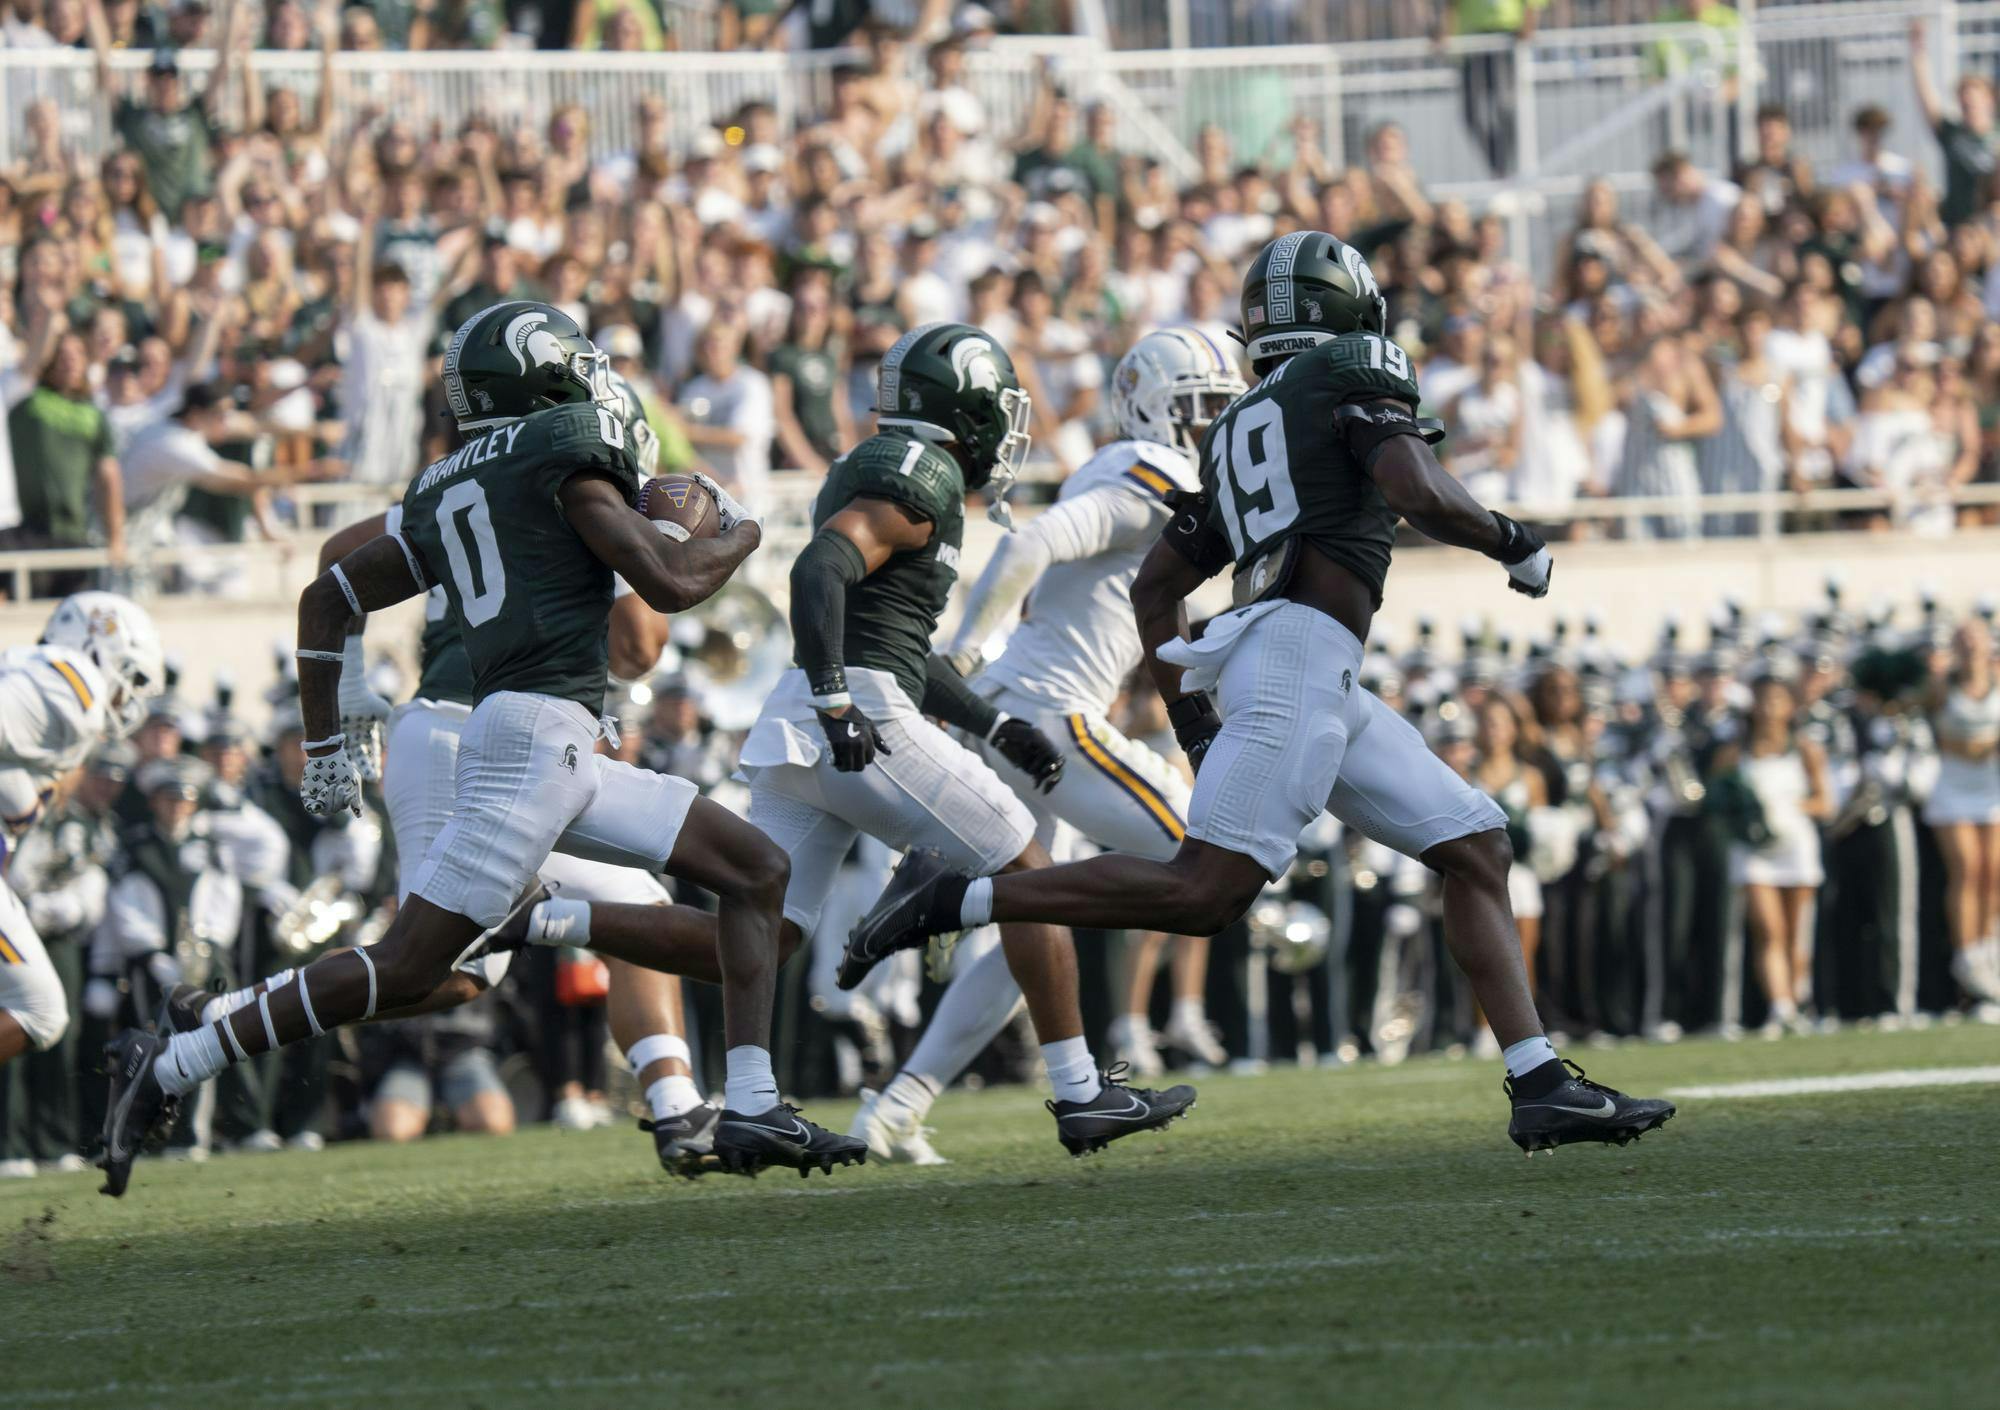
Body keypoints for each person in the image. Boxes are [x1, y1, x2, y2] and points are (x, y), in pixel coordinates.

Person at [845, 233, 1675, 1155]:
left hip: (1298, 663)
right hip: (1299, 660)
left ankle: (1540, 1081)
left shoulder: (1243, 421)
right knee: (1204, 893)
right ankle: (958, 897)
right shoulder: (1348, 372)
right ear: (1351, 311)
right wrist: (1512, 540)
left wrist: (1195, 716)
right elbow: (1415, 485)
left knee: (1475, 844)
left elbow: (1156, 587)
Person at [97, 302, 860, 1196]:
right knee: (416, 967)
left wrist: (325, 729)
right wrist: (742, 532)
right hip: (527, 745)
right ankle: (180, 1058)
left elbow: (327, 596)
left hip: (550, 743)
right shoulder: (563, 466)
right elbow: (673, 583)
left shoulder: (458, 482)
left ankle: (752, 1103)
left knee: (756, 873)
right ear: (541, 378)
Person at [739, 320, 1197, 1159]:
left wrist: (990, 720)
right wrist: (849, 695)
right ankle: (1075, 1086)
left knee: (760, 929)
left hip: (811, 715)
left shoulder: (900, 471)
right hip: (872, 713)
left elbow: (900, 651)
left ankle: (765, 1097)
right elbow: (820, 572)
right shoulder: (923, 470)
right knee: (1054, 872)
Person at [848, 328, 1243, 1162]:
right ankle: (939, 901)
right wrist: (959, 650)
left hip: (1029, 707)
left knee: (1035, 923)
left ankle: (895, 1109)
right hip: (1049, 716)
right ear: (1152, 409)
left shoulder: (1146, 471)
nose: (1212, 426)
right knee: (1208, 857)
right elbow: (1031, 543)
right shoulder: (1151, 473)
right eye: (1198, 409)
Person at [0, 593, 165, 1075]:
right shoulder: (75, 686)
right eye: (130, 678)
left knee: (42, 1010)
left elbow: (18, 795)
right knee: (38, 1010)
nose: (129, 699)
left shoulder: (49, 699)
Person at [1724, 668, 1833, 1035]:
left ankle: (1799, 1000)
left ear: (1790, 706)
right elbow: (1717, 800)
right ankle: (1780, 1006)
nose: (1770, 708)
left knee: (1796, 931)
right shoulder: (1734, 752)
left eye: (1777, 700)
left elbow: (1824, 802)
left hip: (1796, 847)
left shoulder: (1805, 749)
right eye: (1763, 700)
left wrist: (1787, 809)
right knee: (1768, 930)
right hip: (1755, 852)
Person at [1922, 622, 2000, 1005]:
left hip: (1992, 788)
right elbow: (1936, 735)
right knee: (1967, 867)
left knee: (1993, 871)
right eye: (1963, 640)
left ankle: (1988, 949)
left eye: (1976, 639)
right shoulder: (1941, 686)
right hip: (1953, 789)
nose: (1970, 647)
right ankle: (1965, 954)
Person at [1911, 17, 2000, 229]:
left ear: (1990, 99)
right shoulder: (1952, 133)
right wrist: (1918, 52)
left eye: (1974, 98)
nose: (1969, 103)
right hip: (1957, 226)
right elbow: (1927, 99)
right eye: (1964, 99)